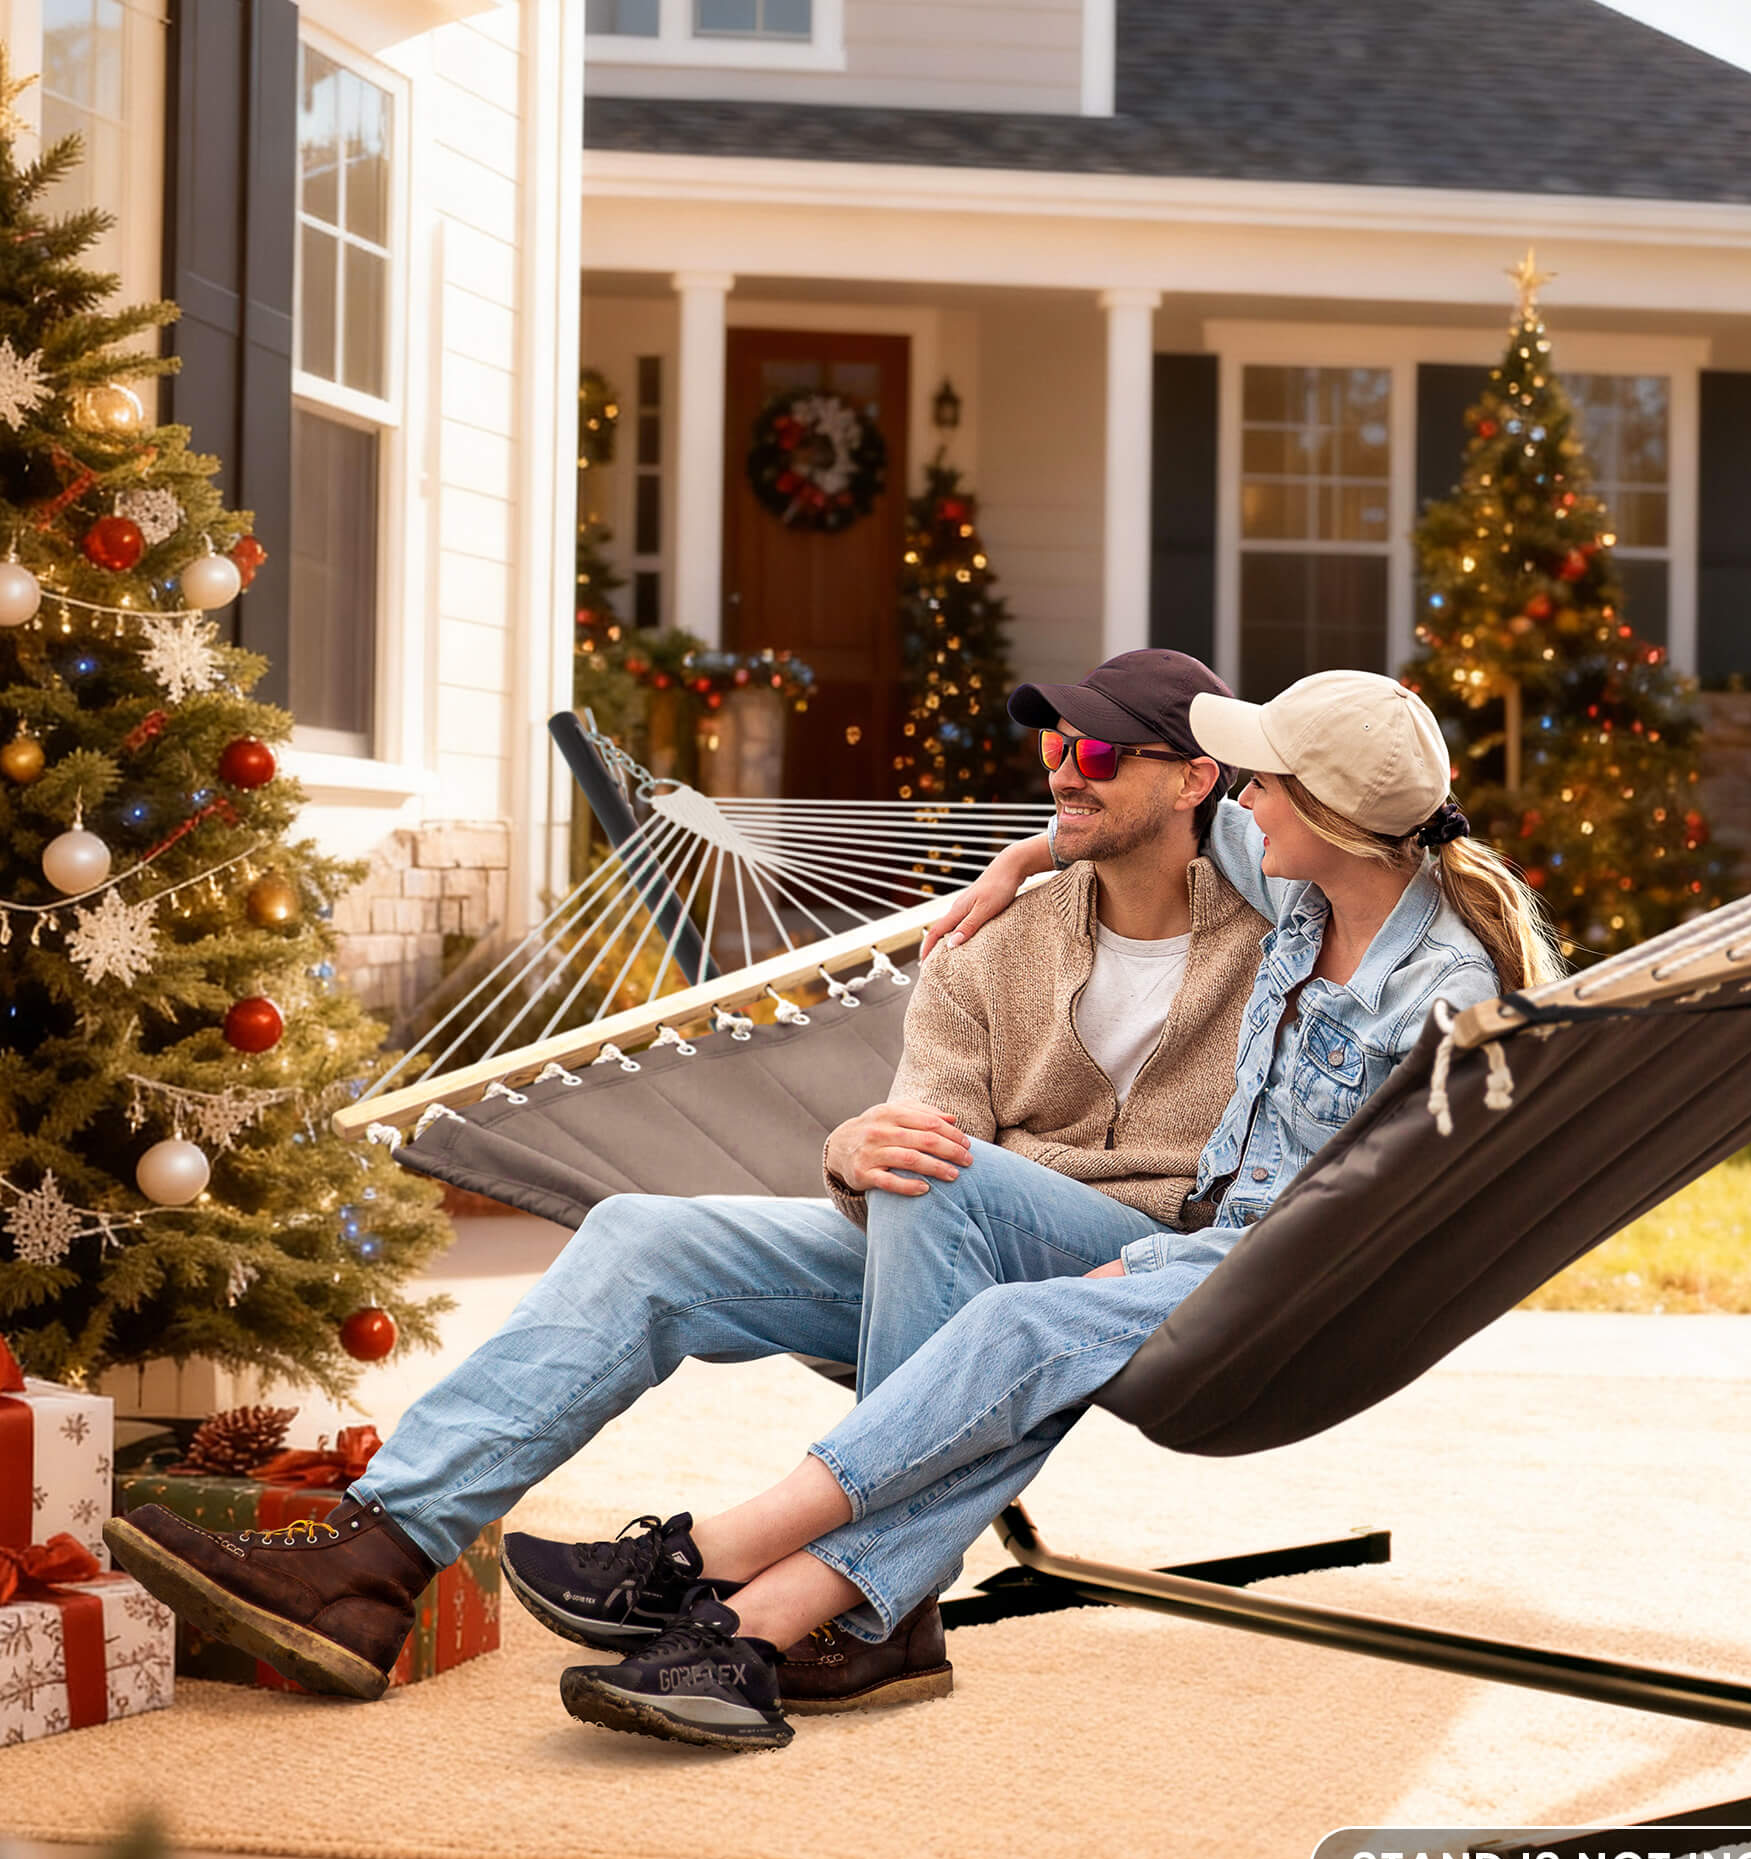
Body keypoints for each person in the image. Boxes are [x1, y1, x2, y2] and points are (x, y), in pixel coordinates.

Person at [104, 650, 1272, 1709]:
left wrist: (1023, 856)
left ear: (1196, 780)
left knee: (940, 1176)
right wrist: (851, 1152)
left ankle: (870, 1600)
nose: (1067, 773)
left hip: (1156, 1270)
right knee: (643, 1233)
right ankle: (377, 1557)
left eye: (1105, 753)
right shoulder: (992, 939)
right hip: (963, 1236)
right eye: (1056, 748)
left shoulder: (1282, 924)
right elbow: (929, 1122)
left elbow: (1378, 842)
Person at [546, 668, 1565, 1750]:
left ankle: (715, 1563)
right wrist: (1025, 856)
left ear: (1331, 815)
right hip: (1212, 1244)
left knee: (1014, 1328)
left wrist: (1163, 1273)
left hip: (1285, 1290)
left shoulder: (1440, 1000)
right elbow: (1136, 829)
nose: (1245, 800)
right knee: (977, 1268)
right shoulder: (1301, 891)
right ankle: (767, 1632)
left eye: (1263, 782)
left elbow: (1376, 1218)